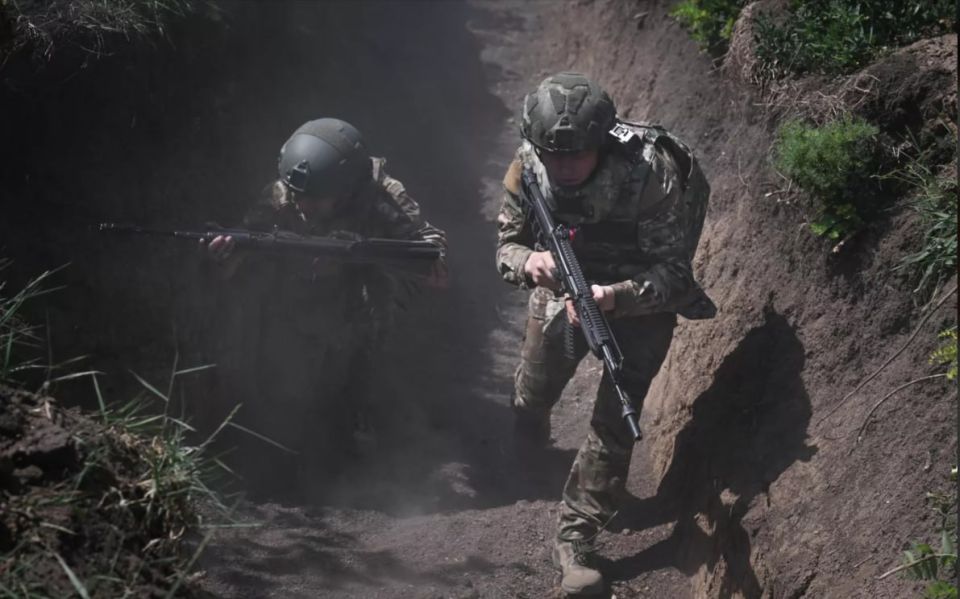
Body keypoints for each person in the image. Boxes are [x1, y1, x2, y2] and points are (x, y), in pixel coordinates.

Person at [495, 72, 715, 595]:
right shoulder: (529, 163)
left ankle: (574, 541)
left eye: (578, 156)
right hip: (561, 283)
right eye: (554, 156)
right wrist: (531, 262)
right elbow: (504, 244)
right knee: (535, 390)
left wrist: (613, 298)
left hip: (639, 297)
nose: (565, 167)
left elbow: (677, 277)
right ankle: (529, 442)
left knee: (616, 414)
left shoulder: (652, 174)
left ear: (602, 143)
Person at [204, 118, 447, 482]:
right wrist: (228, 255)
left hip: (369, 290)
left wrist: (355, 257)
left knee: (374, 314)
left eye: (316, 199)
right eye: (297, 195)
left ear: (346, 188)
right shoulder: (285, 192)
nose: (303, 205)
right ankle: (279, 417)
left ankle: (366, 405)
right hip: (303, 291)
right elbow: (249, 239)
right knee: (284, 368)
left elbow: (433, 256)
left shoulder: (380, 197)